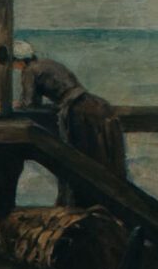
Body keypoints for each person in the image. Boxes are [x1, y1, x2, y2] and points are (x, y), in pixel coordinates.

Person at [11, 37, 128, 190]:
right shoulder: (48, 63)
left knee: (78, 158)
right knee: (101, 155)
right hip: (91, 101)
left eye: (12, 62)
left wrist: (16, 104)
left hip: (76, 109)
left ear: (18, 60)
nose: (13, 67)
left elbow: (29, 103)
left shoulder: (29, 71)